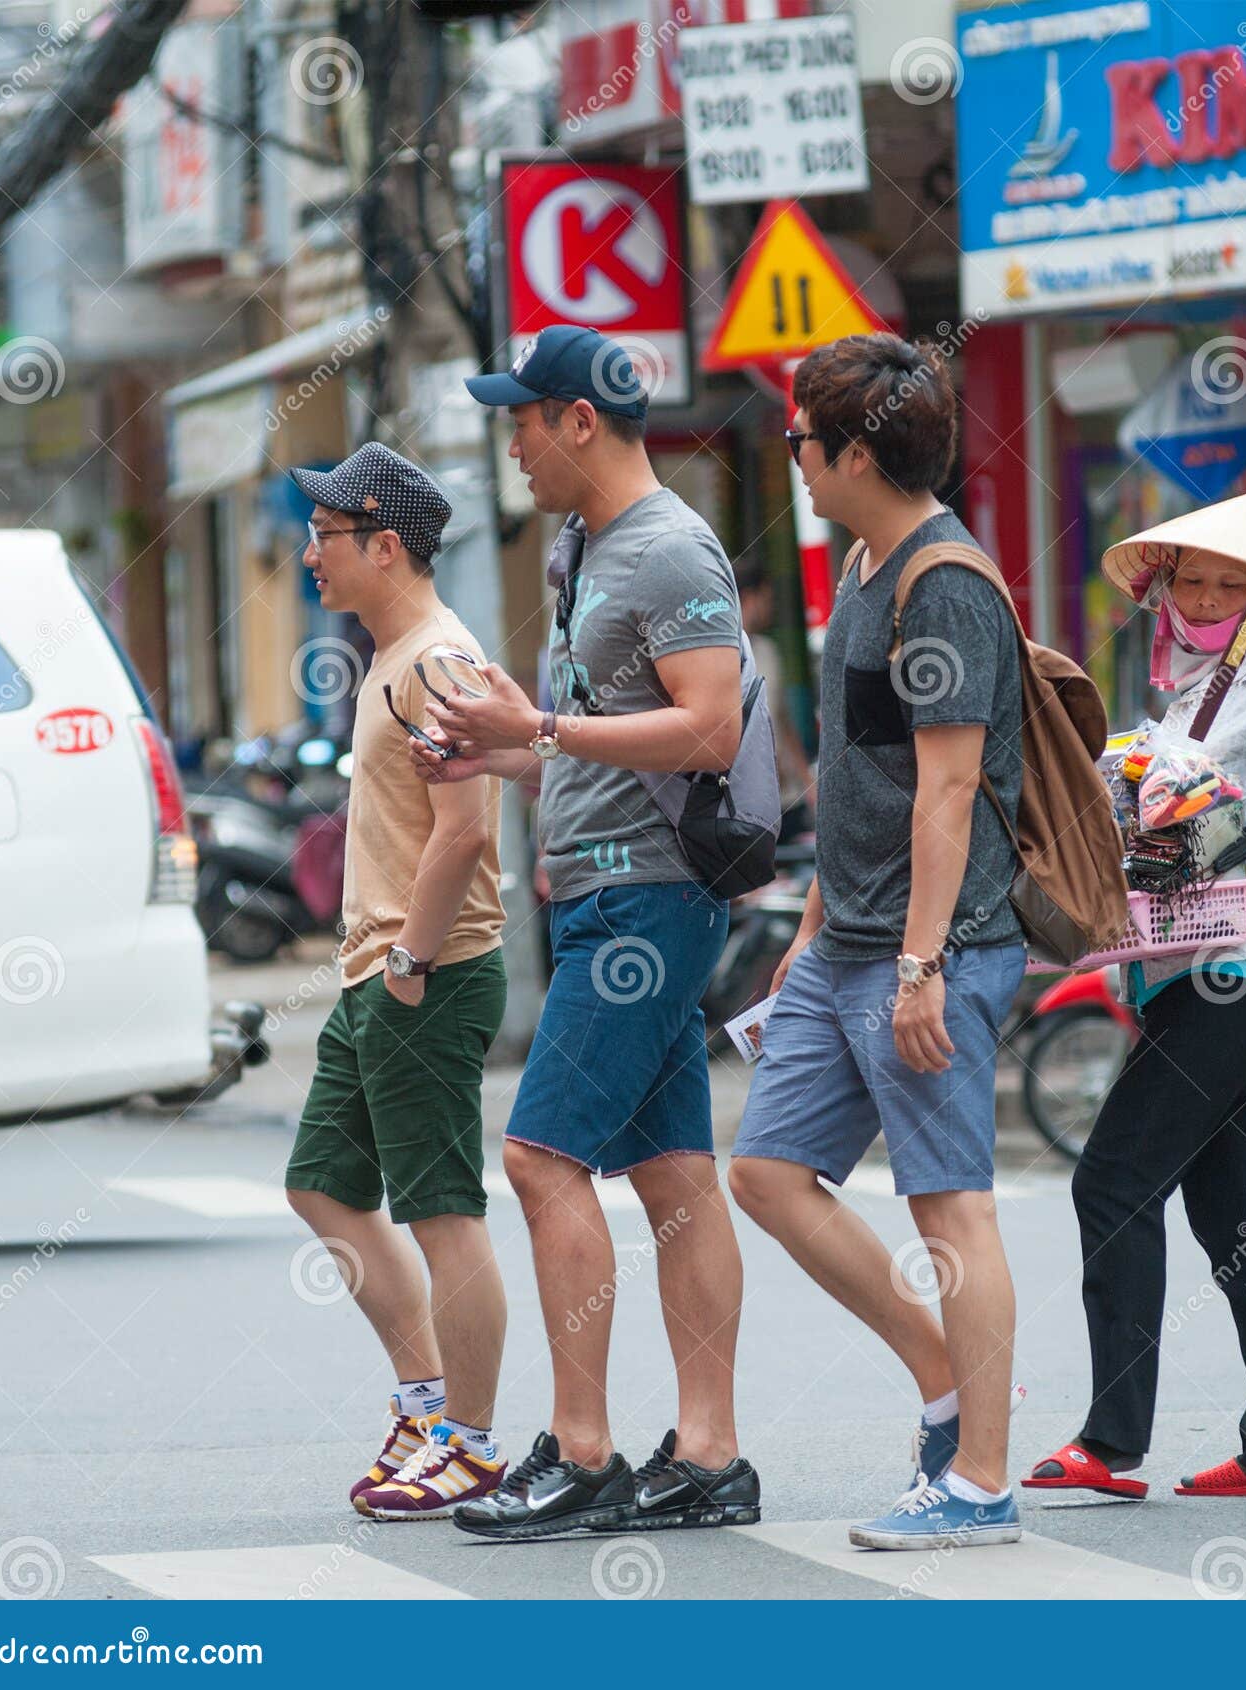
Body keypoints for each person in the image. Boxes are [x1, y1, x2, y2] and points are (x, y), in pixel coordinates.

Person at [412, 325, 760, 1540]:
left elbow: (708, 727)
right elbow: (603, 734)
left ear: (577, 421)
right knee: (671, 1173)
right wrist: (505, 749)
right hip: (606, 890)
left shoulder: (668, 550)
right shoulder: (581, 546)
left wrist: (545, 732)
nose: (509, 442)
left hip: (647, 899)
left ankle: (581, 1447)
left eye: (522, 418)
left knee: (540, 1157)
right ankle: (710, 1453)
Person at [727, 333, 1028, 1550]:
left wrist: (919, 967)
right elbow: (862, 770)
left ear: (854, 451)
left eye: (800, 437)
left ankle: (982, 1481)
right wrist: (806, 928)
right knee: (765, 1172)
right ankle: (946, 1384)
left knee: (951, 1209)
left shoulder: (941, 580)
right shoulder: (864, 558)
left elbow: (947, 792)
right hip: (841, 938)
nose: (789, 455)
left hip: (929, 949)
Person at [1026, 493, 1246, 1502]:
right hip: (1180, 974)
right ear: (1163, 590)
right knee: (1237, 1210)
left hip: (1244, 973)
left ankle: (1109, 1436)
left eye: (1230, 581)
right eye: (1192, 579)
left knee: (1111, 1179)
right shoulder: (1179, 704)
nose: (1209, 596)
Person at [283, 442, 509, 1520]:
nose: (307, 556)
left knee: (441, 1210)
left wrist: (411, 964)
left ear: (385, 545)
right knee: (322, 1180)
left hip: (430, 970)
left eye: (324, 538)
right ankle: (426, 1401)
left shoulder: (438, 658)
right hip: (374, 971)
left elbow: (465, 830)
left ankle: (467, 1439)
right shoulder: (386, 651)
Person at [734, 553, 814, 837]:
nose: (770, 607)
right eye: (766, 598)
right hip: (749, 802)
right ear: (749, 597)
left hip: (788, 797)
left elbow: (783, 721)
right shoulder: (725, 655)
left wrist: (808, 783)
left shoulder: (768, 650)